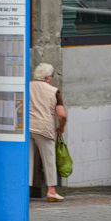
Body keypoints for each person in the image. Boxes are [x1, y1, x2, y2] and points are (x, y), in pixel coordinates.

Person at [29, 63, 68, 202]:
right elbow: (62, 115)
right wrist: (61, 126)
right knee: (49, 159)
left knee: (27, 160)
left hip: (27, 127)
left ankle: (24, 191)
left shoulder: (25, 87)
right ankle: (51, 191)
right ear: (47, 78)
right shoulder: (54, 91)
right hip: (44, 128)